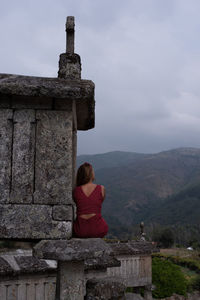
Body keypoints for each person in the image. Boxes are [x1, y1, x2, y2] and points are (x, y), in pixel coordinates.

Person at [73, 162, 108, 238]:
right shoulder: (101, 188)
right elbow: (99, 202)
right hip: (98, 229)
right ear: (92, 174)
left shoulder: (75, 191)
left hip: (80, 229)